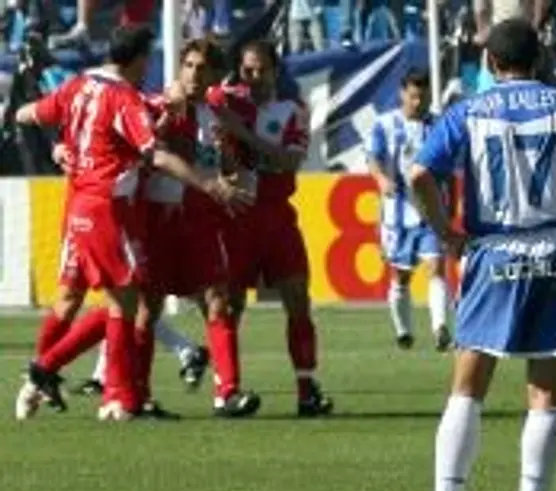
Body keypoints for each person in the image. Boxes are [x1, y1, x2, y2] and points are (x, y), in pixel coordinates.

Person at [408, 19, 556, 491]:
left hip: (494, 249)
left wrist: (445, 233)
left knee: (468, 385)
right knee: (546, 391)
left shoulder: (469, 110)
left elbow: (419, 173)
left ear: (490, 63)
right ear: (540, 60)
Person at [14, 25, 238, 422]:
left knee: (80, 300)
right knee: (124, 302)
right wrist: (209, 184)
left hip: (81, 203)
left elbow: (32, 113)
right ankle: (99, 391)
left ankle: (53, 379)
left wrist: (56, 141)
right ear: (140, 60)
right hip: (109, 207)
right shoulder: (124, 98)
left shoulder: (79, 85)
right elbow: (156, 155)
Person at [207, 39, 334, 417]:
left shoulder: (293, 111)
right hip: (236, 216)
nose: (256, 77)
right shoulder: (225, 100)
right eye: (248, 70)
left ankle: (307, 387)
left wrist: (241, 133)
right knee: (229, 304)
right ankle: (228, 390)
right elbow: (198, 92)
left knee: (298, 298)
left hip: (277, 216)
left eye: (262, 70)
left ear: (276, 71)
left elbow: (289, 161)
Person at [367, 69, 452, 351]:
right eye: (414, 96)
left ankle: (440, 327)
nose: (419, 102)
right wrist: (380, 179)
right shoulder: (384, 124)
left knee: (437, 266)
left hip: (431, 211)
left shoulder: (440, 124)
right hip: (397, 213)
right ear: (403, 93)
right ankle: (403, 331)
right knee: (400, 276)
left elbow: (450, 167)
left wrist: (451, 203)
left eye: (424, 97)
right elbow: (374, 158)